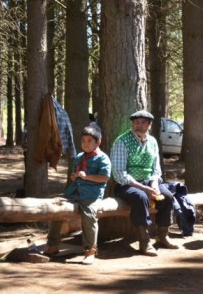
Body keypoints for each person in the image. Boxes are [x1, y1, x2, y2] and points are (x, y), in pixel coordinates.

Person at [111, 110, 178, 257]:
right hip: (127, 184)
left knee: (167, 197)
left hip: (148, 181)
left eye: (142, 123)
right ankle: (144, 240)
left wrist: (154, 184)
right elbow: (119, 173)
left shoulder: (153, 141)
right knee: (140, 197)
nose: (139, 126)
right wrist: (143, 187)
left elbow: (156, 168)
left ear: (149, 125)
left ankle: (162, 236)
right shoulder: (122, 141)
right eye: (136, 122)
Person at [45, 126, 111, 265]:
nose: (85, 144)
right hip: (74, 192)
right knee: (57, 208)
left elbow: (104, 178)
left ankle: (90, 250)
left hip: (91, 195)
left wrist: (86, 177)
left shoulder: (103, 158)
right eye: (83, 141)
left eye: (89, 141)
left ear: (98, 142)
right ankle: (52, 245)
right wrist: (75, 176)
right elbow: (76, 175)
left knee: (89, 215)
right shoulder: (79, 157)